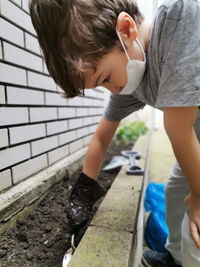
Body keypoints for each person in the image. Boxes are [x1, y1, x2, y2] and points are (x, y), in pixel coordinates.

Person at [29, 0, 200, 266]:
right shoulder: (131, 81)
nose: (112, 90)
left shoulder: (179, 18)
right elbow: (101, 137)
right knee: (174, 195)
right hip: (194, 140)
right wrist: (83, 192)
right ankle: (174, 257)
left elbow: (178, 129)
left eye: (105, 78)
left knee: (195, 230)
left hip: (190, 137)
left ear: (126, 29)